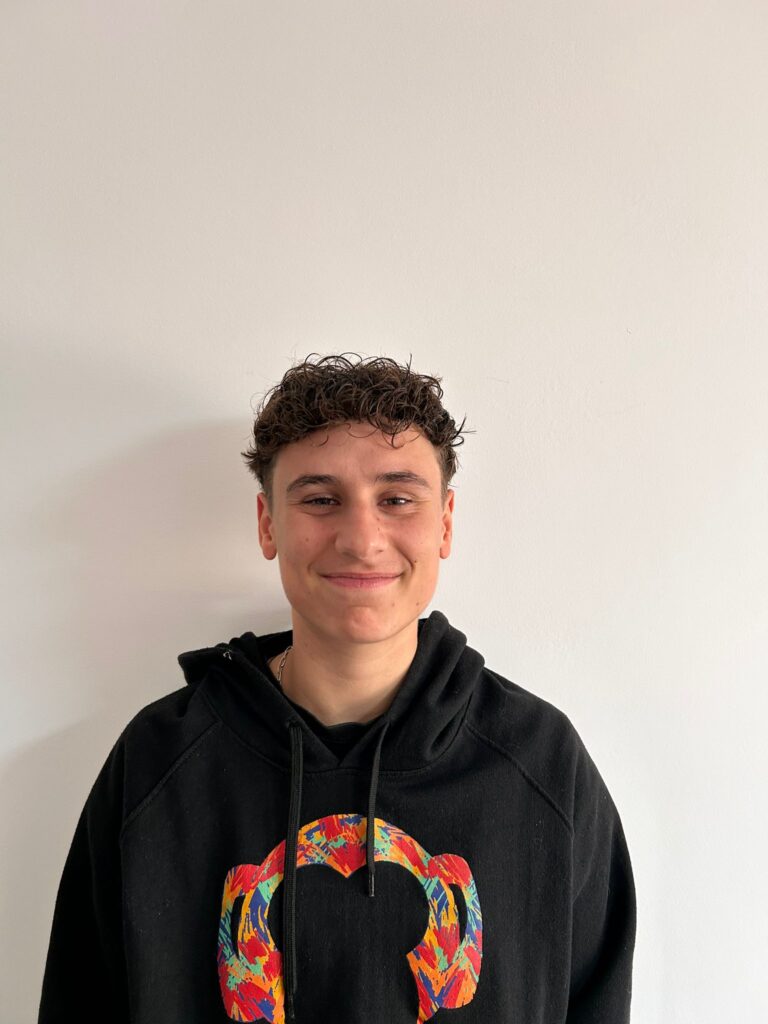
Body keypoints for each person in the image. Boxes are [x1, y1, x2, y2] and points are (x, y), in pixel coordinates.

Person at [37, 352, 636, 1023]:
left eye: (397, 499)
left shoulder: (539, 761)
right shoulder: (159, 760)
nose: (362, 539)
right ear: (268, 523)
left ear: (444, 522)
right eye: (321, 500)